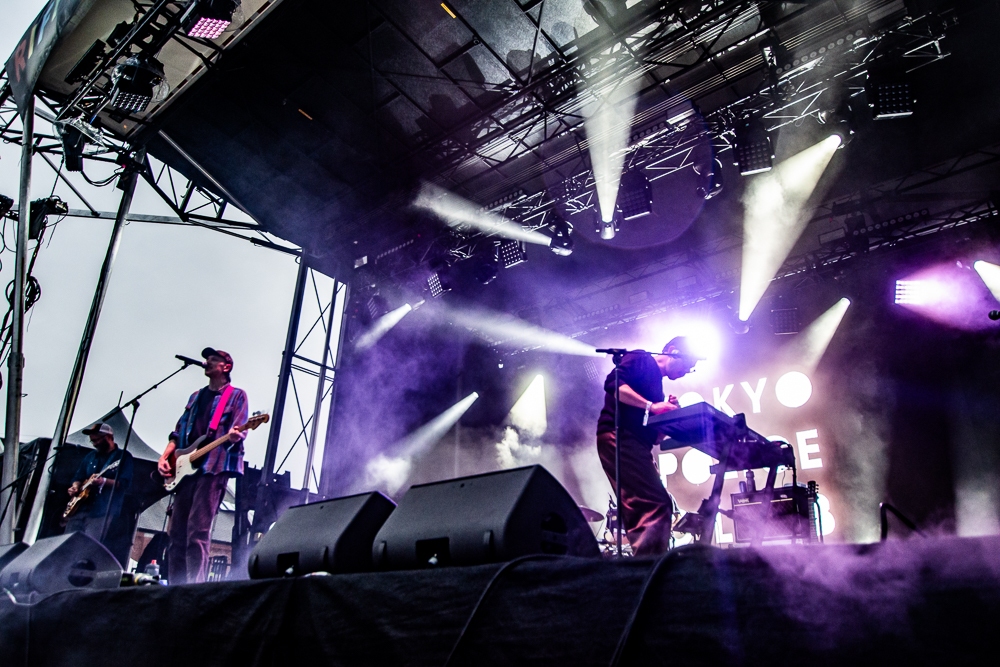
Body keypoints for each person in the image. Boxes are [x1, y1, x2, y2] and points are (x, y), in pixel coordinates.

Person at [596, 336, 703, 556]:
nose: (688, 370)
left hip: (636, 443)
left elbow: (655, 439)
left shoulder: (659, 389)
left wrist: (669, 415)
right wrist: (652, 406)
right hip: (619, 436)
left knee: (650, 504)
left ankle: (647, 565)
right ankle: (648, 567)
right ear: (673, 351)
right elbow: (614, 385)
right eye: (688, 364)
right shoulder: (641, 358)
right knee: (654, 503)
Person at [158, 348, 248, 584]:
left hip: (213, 467)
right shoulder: (195, 397)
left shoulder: (236, 396)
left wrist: (236, 435)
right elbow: (177, 432)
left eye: (213, 360)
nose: (207, 362)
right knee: (176, 533)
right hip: (185, 469)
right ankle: (175, 586)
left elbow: (240, 429)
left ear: (226, 366)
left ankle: (193, 587)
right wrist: (165, 456)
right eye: (207, 359)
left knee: (197, 531)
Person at [66, 422, 134, 549]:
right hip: (80, 508)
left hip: (102, 510)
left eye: (97, 440)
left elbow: (125, 483)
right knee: (68, 544)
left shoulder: (123, 456)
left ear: (108, 437)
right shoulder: (90, 456)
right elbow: (78, 477)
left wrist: (103, 481)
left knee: (89, 546)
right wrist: (75, 486)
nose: (95, 443)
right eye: (92, 441)